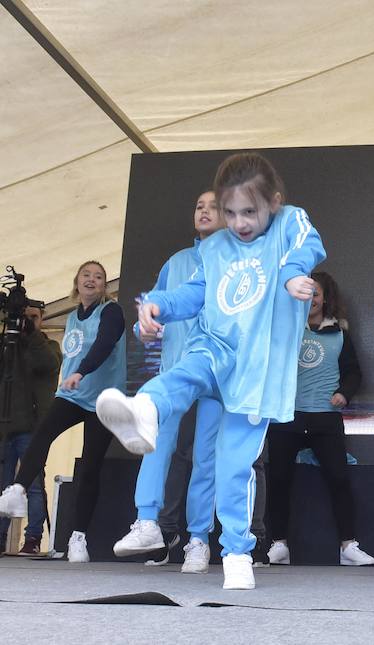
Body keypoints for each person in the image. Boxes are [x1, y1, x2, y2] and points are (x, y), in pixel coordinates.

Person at [96, 152, 326, 590]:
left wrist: (294, 275)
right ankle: (144, 408)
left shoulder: (290, 222)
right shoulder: (216, 247)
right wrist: (159, 305)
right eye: (231, 212)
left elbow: (307, 247)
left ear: (273, 203)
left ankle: (236, 550)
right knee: (184, 374)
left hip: (257, 367)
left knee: (233, 465)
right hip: (216, 344)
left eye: (250, 212)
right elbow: (194, 292)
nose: (239, 222)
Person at [111, 190, 225, 573]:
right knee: (154, 442)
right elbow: (155, 306)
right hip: (175, 371)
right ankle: (147, 522)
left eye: (214, 206)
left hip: (217, 374)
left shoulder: (237, 262)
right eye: (198, 205)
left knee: (205, 457)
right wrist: (146, 329)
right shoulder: (177, 262)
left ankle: (198, 540)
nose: (204, 211)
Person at [0, 261, 126, 563]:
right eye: (87, 275)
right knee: (42, 434)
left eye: (98, 277)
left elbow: (105, 343)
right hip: (72, 395)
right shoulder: (71, 317)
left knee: (90, 466)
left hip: (102, 399)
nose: (92, 280)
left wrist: (81, 372)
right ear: (77, 282)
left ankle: (78, 537)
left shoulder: (110, 311)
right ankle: (17, 489)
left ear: (105, 285)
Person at [266, 271, 374, 567]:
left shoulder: (340, 334)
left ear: (326, 298)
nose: (311, 299)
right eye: (306, 293)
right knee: (278, 479)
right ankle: (277, 544)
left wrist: (344, 393)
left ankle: (348, 546)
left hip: (325, 418)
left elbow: (354, 372)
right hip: (286, 416)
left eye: (316, 293)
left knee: (339, 480)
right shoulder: (284, 330)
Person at [0, 305, 61, 554]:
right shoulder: (6, 345)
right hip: (5, 426)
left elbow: (48, 365)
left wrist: (31, 335)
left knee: (34, 484)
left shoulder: (48, 346)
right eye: (24, 318)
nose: (28, 322)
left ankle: (33, 539)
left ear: (42, 319)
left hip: (33, 427)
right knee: (3, 485)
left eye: (33, 318)